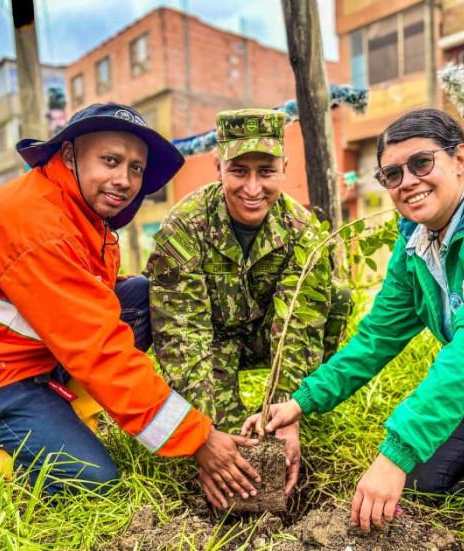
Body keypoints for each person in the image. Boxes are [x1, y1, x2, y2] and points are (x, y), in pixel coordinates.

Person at [243, 109, 464, 550]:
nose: (408, 181)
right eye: (392, 173)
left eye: (422, 164)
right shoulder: (415, 241)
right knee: (424, 481)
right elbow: (376, 337)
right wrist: (302, 400)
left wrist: (394, 455)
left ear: (460, 159)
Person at [0, 103, 260, 500]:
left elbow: (92, 304)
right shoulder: (37, 224)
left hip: (30, 350)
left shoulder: (71, 207)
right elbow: (100, 348)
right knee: (89, 480)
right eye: (110, 160)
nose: (124, 179)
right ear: (69, 155)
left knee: (142, 296)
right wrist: (198, 437)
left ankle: (58, 404)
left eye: (135, 168)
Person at [145, 109, 350, 507]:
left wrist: (290, 413)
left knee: (338, 297)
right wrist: (209, 436)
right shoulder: (184, 226)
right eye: (239, 171)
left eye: (266, 172)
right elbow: (183, 336)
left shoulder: (301, 229)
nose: (253, 188)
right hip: (211, 339)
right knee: (223, 433)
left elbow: (298, 326)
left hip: (264, 338)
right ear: (218, 166)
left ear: (284, 169)